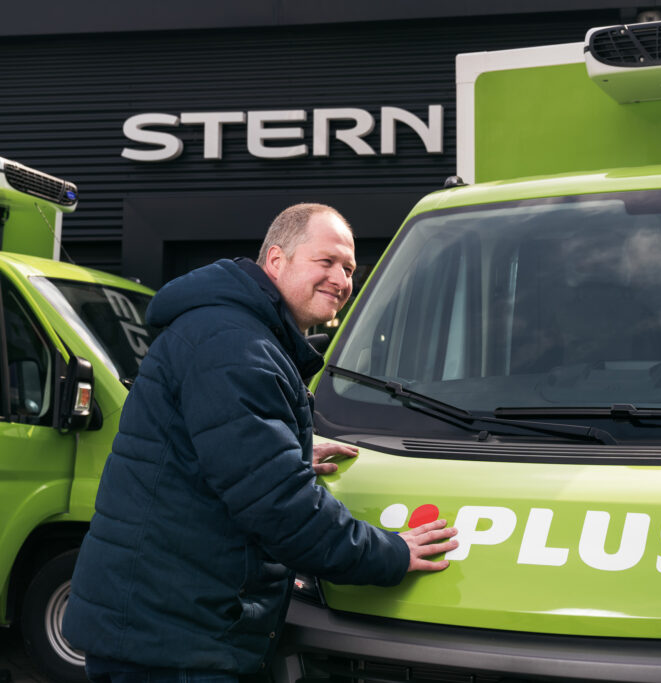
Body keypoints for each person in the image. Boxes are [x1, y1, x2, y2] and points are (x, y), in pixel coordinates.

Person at [63, 203, 458, 680]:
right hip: (174, 644)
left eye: (350, 269)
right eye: (327, 261)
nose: (341, 279)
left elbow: (216, 451)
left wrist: (288, 449)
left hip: (166, 626)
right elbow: (280, 506)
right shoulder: (234, 345)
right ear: (276, 260)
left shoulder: (236, 331)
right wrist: (389, 553)